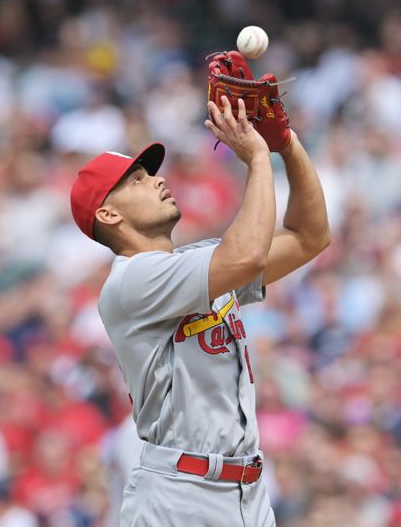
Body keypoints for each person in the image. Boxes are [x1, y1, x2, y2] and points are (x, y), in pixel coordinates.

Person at [69, 94, 329, 526]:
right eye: (135, 179)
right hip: (180, 494)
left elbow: (310, 237)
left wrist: (288, 145)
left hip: (248, 490)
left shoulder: (195, 268)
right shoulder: (130, 281)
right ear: (109, 213)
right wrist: (259, 157)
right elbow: (246, 257)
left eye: (149, 173)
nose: (155, 180)